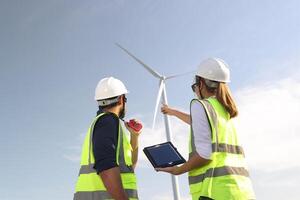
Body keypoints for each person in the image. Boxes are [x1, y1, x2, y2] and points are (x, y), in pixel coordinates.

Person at [156, 58, 255, 200]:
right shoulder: (227, 111)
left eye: (195, 87)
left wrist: (178, 170)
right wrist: (172, 112)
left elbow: (205, 155)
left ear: (201, 83)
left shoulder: (201, 105)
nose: (195, 91)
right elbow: (196, 121)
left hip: (215, 191)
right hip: (242, 189)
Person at [74, 77, 141, 200]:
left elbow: (130, 166)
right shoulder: (108, 121)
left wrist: (134, 136)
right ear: (121, 99)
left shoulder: (105, 123)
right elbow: (106, 168)